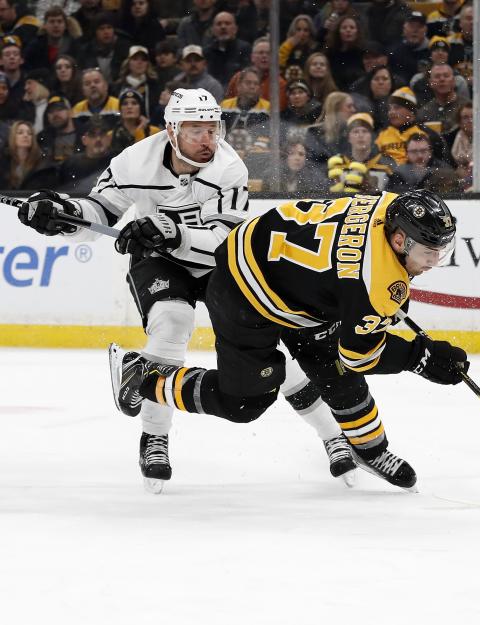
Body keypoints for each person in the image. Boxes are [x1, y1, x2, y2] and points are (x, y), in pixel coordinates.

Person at [18, 88, 361, 494]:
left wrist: (171, 230)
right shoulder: (134, 161)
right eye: (196, 130)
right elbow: (100, 211)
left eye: (212, 129)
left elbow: (223, 239)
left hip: (219, 263)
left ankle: (331, 435)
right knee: (170, 325)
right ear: (171, 130)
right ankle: (155, 437)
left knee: (273, 349)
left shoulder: (228, 168)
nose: (207, 140)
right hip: (160, 260)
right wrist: (64, 214)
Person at [107, 189, 469, 491]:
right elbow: (362, 355)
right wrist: (421, 358)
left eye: (442, 251)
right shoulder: (374, 282)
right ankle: (146, 377)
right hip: (245, 293)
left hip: (291, 274)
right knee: (244, 402)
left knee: (334, 370)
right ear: (399, 239)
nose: (434, 261)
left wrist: (388, 309)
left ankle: (371, 450)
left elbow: (359, 282)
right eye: (428, 252)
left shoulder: (390, 204)